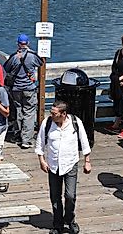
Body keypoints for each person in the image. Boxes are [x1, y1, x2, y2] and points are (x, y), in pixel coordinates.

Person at [36, 100, 92, 234]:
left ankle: (70, 219)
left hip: (70, 163)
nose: (52, 115)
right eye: (51, 112)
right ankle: (57, 225)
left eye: (54, 113)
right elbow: (40, 143)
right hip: (53, 165)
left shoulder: (75, 122)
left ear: (63, 114)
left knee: (70, 195)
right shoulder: (47, 123)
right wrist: (41, 160)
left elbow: (84, 141)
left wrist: (87, 161)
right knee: (55, 196)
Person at [3, 34, 42, 148]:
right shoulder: (32, 55)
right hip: (29, 87)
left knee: (18, 111)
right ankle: (26, 140)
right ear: (28, 43)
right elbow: (41, 62)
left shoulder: (14, 56)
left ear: (18, 44)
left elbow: (6, 68)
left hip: (16, 88)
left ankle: (18, 135)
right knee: (29, 113)